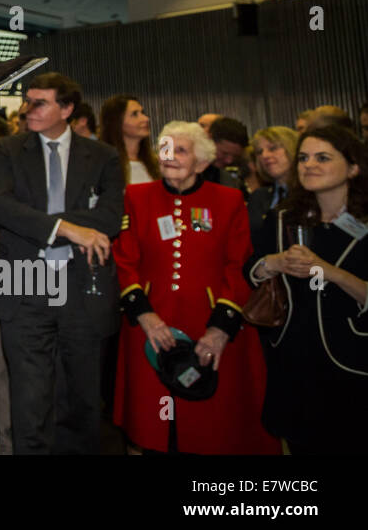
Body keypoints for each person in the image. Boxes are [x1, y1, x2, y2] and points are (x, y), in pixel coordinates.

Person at [113, 121, 277, 454]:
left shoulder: (229, 201)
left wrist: (220, 329)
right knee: (151, 423)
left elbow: (238, 267)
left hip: (210, 325)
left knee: (210, 426)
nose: (169, 156)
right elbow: (124, 261)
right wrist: (145, 316)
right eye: (165, 149)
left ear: (201, 162)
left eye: (181, 150)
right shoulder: (135, 196)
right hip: (149, 326)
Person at [0, 72, 124, 454]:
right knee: (29, 406)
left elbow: (111, 217)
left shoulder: (102, 156)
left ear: (66, 109)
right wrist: (69, 227)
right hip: (23, 285)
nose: (27, 109)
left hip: (82, 289)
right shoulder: (8, 151)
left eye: (39, 102)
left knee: (80, 405)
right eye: (27, 100)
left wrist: (46, 223)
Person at [246, 125, 368, 454]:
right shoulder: (282, 218)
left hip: (352, 363)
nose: (309, 165)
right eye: (303, 158)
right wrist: (273, 262)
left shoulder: (365, 223)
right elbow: (251, 270)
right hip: (293, 363)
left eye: (323, 157)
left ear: (353, 167)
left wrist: (331, 273)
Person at [246, 126, 297, 247]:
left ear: (292, 149)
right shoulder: (258, 197)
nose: (264, 155)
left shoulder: (311, 195)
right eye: (259, 152)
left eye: (273, 148)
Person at [98, 95, 159, 185]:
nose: (146, 119)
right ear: (116, 122)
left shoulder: (157, 164)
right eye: (134, 114)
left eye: (142, 113)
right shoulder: (104, 166)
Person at [204, 118, 248, 191]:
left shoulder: (231, 183)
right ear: (209, 139)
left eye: (235, 156)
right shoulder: (185, 174)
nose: (229, 161)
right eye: (225, 153)